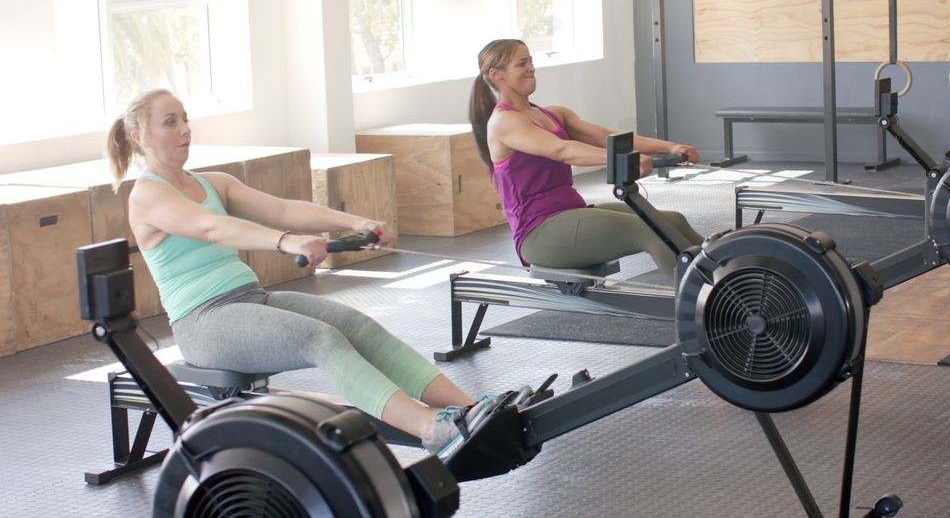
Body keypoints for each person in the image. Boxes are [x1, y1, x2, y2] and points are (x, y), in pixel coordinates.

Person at [107, 89, 484, 454]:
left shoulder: (212, 183)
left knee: (358, 327)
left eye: (185, 120)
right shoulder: (146, 195)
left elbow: (283, 210)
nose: (185, 130)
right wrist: (287, 242)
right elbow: (210, 228)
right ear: (139, 137)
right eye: (170, 122)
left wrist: (355, 221)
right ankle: (431, 429)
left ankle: (473, 410)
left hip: (251, 299)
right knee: (320, 339)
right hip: (203, 321)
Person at [468, 39, 705, 277]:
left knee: (673, 221)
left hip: (572, 212)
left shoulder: (554, 114)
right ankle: (702, 305)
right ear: (496, 74)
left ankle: (727, 281)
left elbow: (607, 137)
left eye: (531, 61)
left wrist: (670, 147)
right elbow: (561, 150)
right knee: (651, 231)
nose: (531, 68)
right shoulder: (503, 122)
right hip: (539, 231)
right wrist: (621, 160)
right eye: (522, 64)